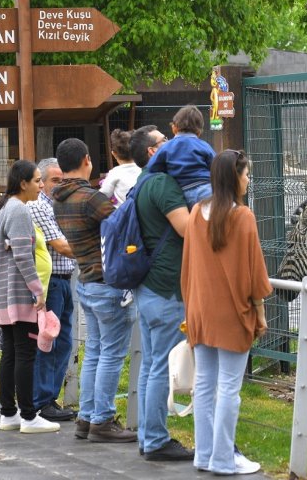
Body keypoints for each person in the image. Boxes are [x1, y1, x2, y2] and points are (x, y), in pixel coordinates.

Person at [181, 150, 271, 475]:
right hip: (232, 313)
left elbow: (188, 265)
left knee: (204, 384)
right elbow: (254, 272)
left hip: (200, 310)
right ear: (234, 177)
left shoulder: (195, 213)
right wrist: (260, 313)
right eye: (246, 174)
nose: (248, 180)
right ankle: (223, 459)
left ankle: (205, 456)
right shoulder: (242, 216)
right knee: (229, 388)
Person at [51, 138, 136, 443]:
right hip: (108, 282)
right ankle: (102, 420)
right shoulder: (89, 198)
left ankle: (86, 417)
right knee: (111, 354)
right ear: (87, 159)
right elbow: (123, 222)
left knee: (95, 353)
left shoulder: (58, 197)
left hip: (86, 280)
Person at [129, 125, 194, 461]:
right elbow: (187, 228)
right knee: (159, 367)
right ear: (154, 152)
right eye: (164, 141)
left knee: (152, 364)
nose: (170, 144)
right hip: (166, 289)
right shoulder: (163, 184)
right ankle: (155, 439)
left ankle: (147, 435)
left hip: (149, 287)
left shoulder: (141, 182)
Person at [0, 160, 60, 434]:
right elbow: (23, 256)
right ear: (23, 183)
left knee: (10, 353)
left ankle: (9, 413)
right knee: (25, 354)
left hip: (1, 293)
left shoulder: (1, 207)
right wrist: (37, 291)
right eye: (38, 181)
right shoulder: (19, 211)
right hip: (18, 293)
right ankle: (28, 416)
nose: (41, 186)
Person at [28, 158, 78, 422]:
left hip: (65, 278)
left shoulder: (59, 206)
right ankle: (42, 400)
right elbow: (61, 245)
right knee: (48, 341)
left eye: (63, 180)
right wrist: (94, 248)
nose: (60, 185)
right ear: (43, 183)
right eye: (54, 181)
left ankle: (50, 398)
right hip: (51, 282)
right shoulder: (39, 206)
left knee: (64, 342)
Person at [147, 105, 216, 207]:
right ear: (199, 131)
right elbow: (216, 167)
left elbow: (152, 167)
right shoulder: (204, 145)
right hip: (206, 190)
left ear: (174, 127)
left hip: (181, 192)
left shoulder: (166, 147)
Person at [99, 128, 141, 206]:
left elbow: (103, 195)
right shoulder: (142, 169)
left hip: (122, 214)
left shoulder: (115, 172)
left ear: (114, 154)